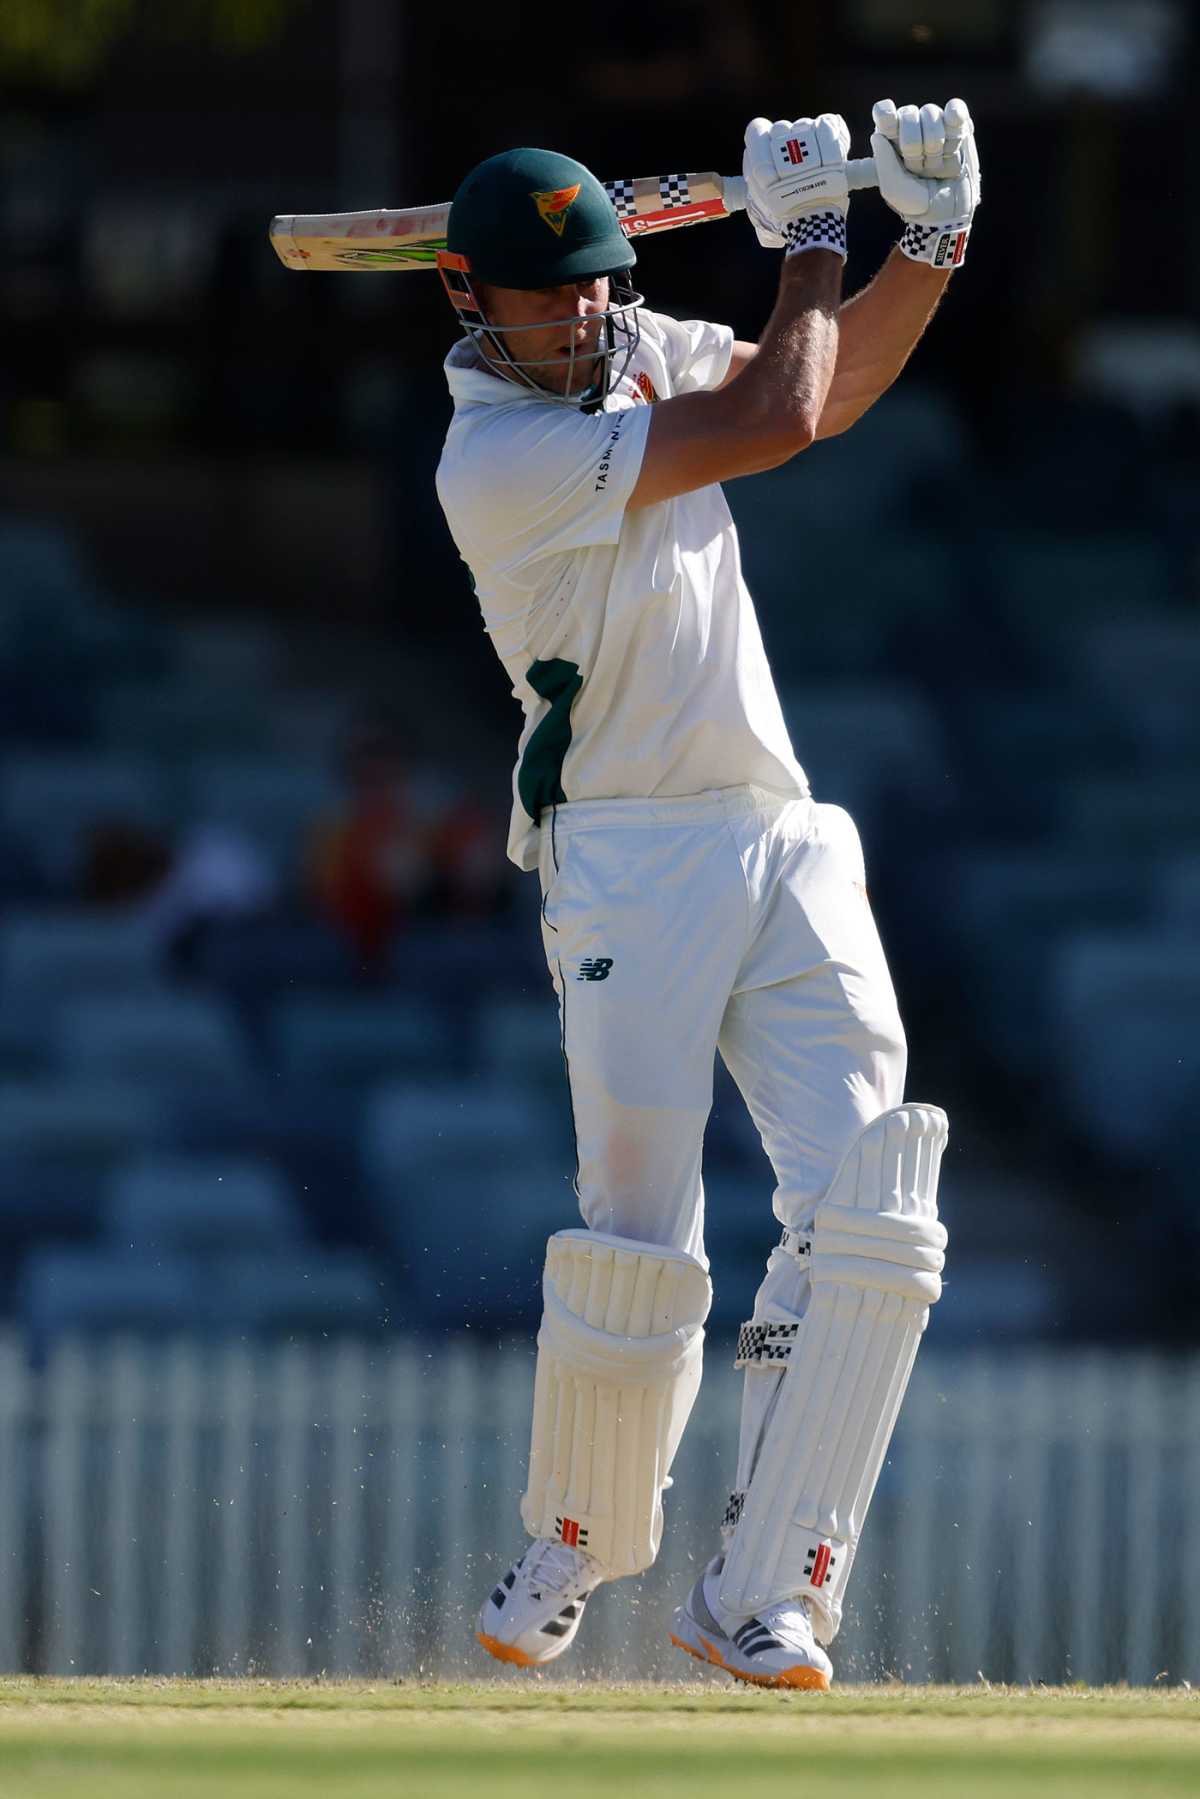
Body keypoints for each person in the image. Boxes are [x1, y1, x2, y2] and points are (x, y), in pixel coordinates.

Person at [434, 101, 979, 1689]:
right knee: (642, 1244)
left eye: (602, 282)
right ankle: (582, 1539)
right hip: (623, 855)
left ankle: (764, 1591)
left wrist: (922, 247)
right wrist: (811, 240)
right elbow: (771, 422)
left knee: (876, 1205)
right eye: (555, 293)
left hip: (775, 820)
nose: (590, 310)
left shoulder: (636, 350)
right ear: (470, 296)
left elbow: (833, 387)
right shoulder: (499, 457)